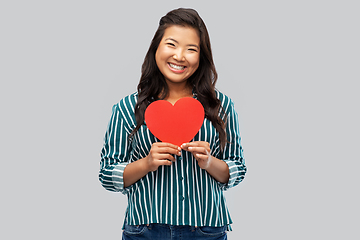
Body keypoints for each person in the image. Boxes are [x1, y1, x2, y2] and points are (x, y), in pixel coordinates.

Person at [99, 8, 247, 240]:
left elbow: (238, 168)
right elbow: (107, 174)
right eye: (171, 44)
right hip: (145, 229)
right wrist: (146, 163)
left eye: (191, 49)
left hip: (206, 229)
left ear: (201, 56)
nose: (180, 56)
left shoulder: (221, 106)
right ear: (156, 48)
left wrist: (209, 162)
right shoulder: (128, 107)